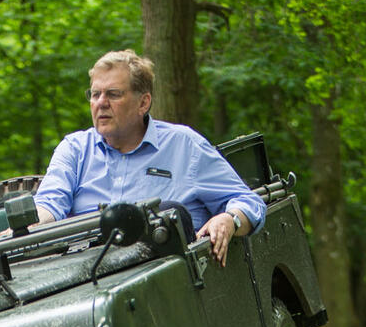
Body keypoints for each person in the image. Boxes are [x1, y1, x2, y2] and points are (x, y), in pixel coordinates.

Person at [32, 50, 265, 267]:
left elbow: (249, 202)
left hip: (169, 281)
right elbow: (50, 204)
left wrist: (229, 220)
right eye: (95, 94)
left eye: (113, 94)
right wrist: (32, 226)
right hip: (84, 278)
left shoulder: (184, 145)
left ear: (143, 102)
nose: (101, 102)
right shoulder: (74, 149)